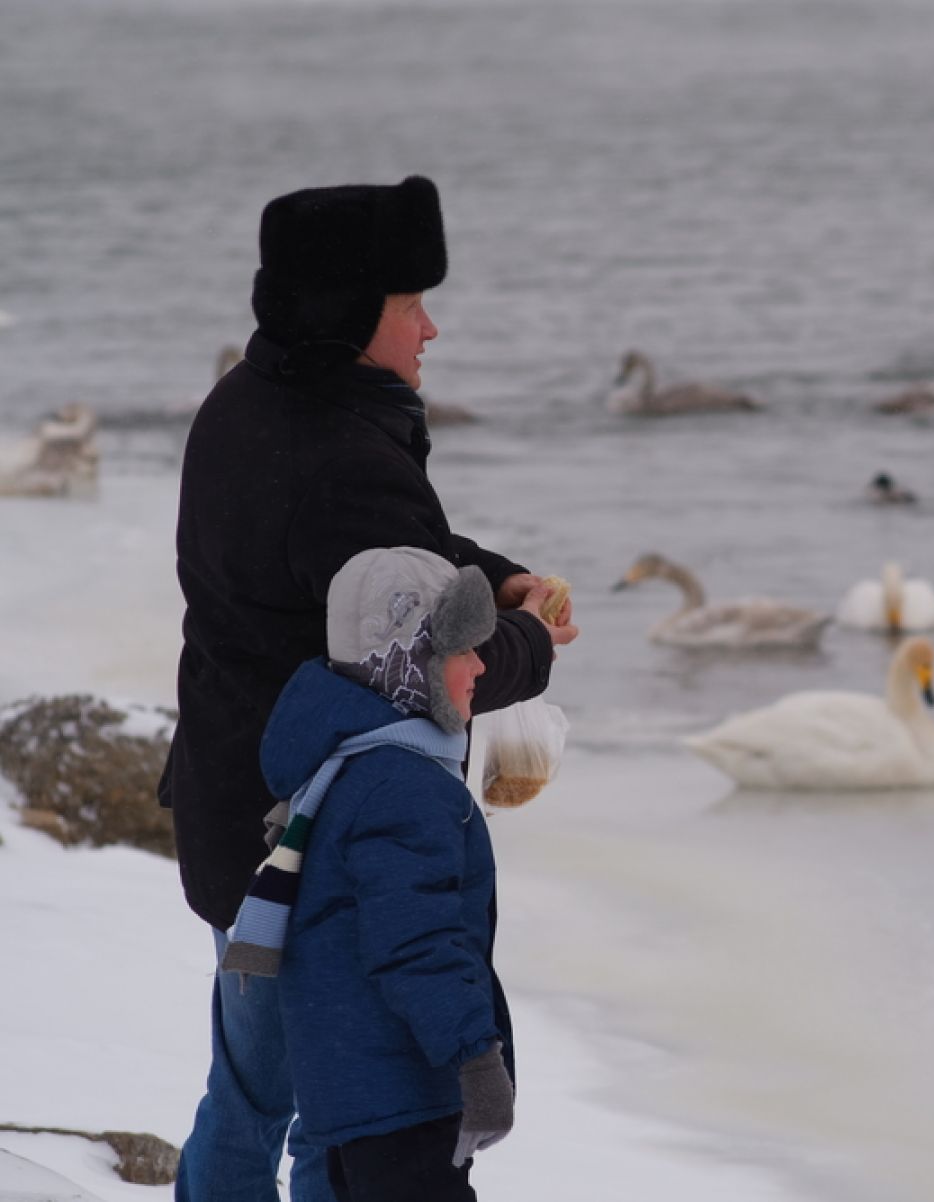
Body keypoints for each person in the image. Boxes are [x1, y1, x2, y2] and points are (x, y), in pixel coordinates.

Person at [158, 175, 579, 1201]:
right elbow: (440, 668)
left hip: (227, 811)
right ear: (348, 316)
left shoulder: (247, 404)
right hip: (312, 842)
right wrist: (531, 634)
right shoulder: (344, 454)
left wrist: (493, 571)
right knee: (333, 1118)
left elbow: (386, 560)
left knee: (250, 1092)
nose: (430, 328)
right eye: (408, 304)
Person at [225, 546, 516, 1201]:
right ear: (411, 660)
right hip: (402, 1091)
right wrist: (475, 1055)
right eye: (462, 650)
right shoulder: (403, 786)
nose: (480, 666)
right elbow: (415, 940)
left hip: (356, 1090)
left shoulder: (347, 767)